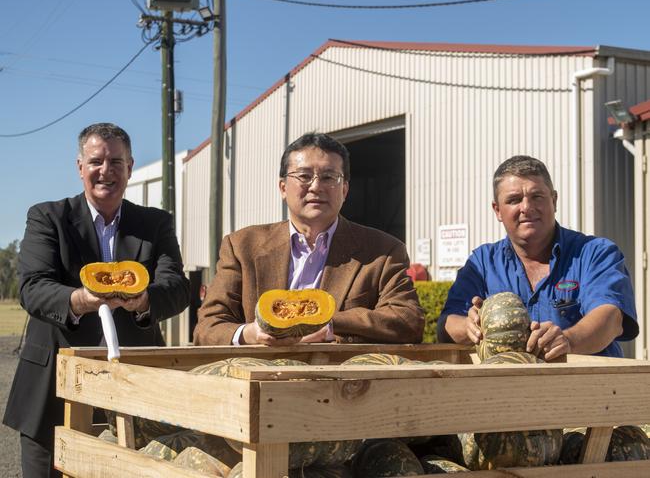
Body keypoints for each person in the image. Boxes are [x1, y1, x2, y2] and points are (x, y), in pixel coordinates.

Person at [3, 123, 190, 477]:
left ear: (130, 167)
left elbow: (177, 287)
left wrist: (143, 300)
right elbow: (33, 287)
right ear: (80, 167)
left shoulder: (155, 224)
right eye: (96, 161)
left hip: (134, 383)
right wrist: (81, 298)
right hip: (51, 388)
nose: (106, 171)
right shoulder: (48, 217)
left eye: (116, 162)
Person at [193, 132, 424, 346]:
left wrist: (330, 324)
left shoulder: (383, 251)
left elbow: (408, 320)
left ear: (344, 190)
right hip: (260, 381)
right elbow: (207, 327)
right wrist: (250, 334)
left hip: (344, 385)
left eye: (329, 177)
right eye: (304, 176)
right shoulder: (242, 246)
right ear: (283, 187)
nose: (316, 186)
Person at [437, 155, 638, 360]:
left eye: (537, 196)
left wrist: (568, 340)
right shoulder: (482, 263)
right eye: (514, 200)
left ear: (554, 200)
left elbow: (611, 318)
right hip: (505, 388)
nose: (527, 207)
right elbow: (446, 324)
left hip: (586, 386)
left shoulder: (595, 253)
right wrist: (468, 326)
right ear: (497, 210)